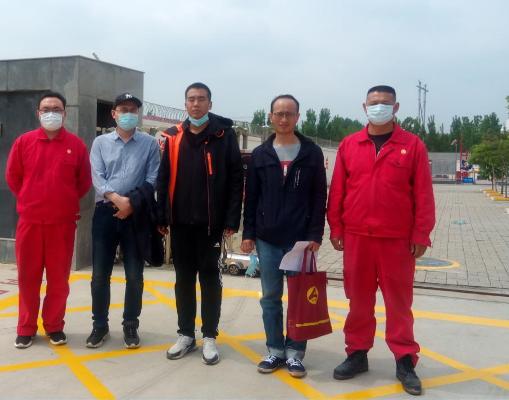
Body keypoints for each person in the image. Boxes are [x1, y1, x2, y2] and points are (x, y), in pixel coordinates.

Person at [327, 85, 435, 395]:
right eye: (373, 103)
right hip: (357, 237)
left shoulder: (412, 145)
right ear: (364, 107)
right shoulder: (350, 145)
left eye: (385, 103)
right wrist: (336, 227)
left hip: (396, 240)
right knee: (358, 301)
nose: (379, 107)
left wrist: (421, 233)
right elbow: (338, 190)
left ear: (396, 107)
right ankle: (357, 353)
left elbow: (423, 194)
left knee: (399, 304)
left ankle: (405, 359)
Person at [240, 94, 327, 378]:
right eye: (279, 113)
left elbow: (319, 197)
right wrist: (249, 233)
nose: (284, 118)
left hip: (300, 241)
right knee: (270, 297)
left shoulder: (311, 153)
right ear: (271, 117)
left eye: (289, 113)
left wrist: (315, 235)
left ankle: (295, 354)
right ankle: (275, 350)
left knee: (299, 298)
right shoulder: (261, 154)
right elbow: (251, 198)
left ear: (297, 117)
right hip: (267, 240)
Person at [156, 82, 243, 365]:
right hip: (181, 223)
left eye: (201, 99)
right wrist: (161, 216)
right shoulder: (173, 137)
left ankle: (209, 336)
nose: (196, 104)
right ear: (185, 104)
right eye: (191, 99)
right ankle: (185, 334)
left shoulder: (223, 135)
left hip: (211, 225)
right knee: (183, 280)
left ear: (210, 104)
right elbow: (163, 178)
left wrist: (231, 219)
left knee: (210, 279)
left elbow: (236, 179)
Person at [5, 91, 92, 349]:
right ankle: (26, 328)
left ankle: (54, 326)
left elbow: (83, 182)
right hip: (30, 222)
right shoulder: (24, 142)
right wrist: (31, 198)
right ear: (38, 113)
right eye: (46, 109)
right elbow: (13, 177)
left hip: (62, 224)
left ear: (65, 113)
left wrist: (62, 201)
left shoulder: (76, 145)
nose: (51, 113)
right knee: (27, 279)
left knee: (58, 281)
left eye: (56, 109)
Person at [87, 93, 160, 349]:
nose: (128, 113)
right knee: (99, 275)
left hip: (136, 214)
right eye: (123, 109)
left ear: (137, 114)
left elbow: (152, 178)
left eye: (132, 109)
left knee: (135, 275)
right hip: (105, 213)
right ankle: (99, 325)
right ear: (114, 113)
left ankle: (131, 325)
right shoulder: (100, 143)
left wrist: (131, 204)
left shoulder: (150, 144)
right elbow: (97, 177)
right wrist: (117, 199)